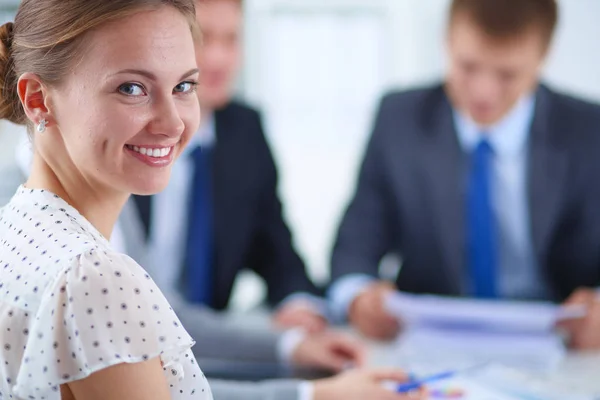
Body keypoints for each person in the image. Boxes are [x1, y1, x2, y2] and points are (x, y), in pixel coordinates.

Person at [0, 0, 422, 399]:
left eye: (184, 85)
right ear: (38, 100)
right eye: (131, 88)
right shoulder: (91, 276)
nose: (173, 124)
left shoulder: (17, 227)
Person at [329, 0, 600, 349]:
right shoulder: (399, 120)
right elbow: (354, 247)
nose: (483, 92)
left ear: (543, 57)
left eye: (507, 74)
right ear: (447, 41)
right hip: (429, 343)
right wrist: (357, 298)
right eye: (468, 66)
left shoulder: (588, 132)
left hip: (561, 345)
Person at [128, 0, 327, 333]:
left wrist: (299, 305)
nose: (220, 59)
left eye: (231, 39)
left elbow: (277, 251)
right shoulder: (124, 130)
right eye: (202, 39)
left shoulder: (244, 132)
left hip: (211, 349)